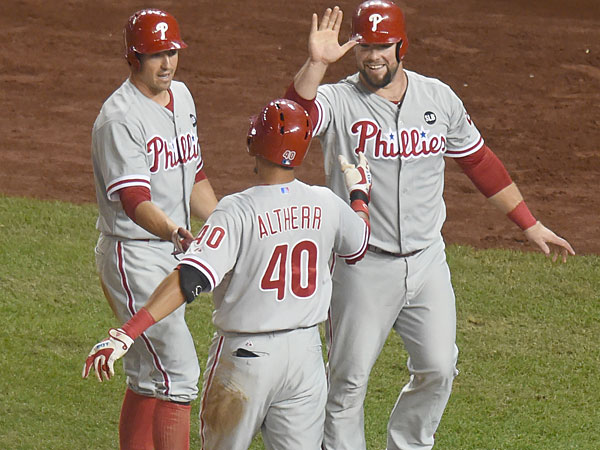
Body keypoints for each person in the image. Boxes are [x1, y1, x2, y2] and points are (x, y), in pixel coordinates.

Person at [283, 2, 576, 449]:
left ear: (402, 46)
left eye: (383, 46)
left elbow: (477, 160)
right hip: (362, 266)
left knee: (439, 368)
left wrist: (528, 223)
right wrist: (316, 64)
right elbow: (291, 121)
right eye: (364, 46)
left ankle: (409, 444)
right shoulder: (337, 100)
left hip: (426, 262)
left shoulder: (438, 98)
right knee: (347, 383)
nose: (373, 56)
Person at [83, 98, 372, 449]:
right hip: (305, 361)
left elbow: (188, 280)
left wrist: (128, 333)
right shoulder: (326, 202)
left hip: (245, 362)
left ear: (254, 142)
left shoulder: (237, 211)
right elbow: (358, 243)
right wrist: (359, 193)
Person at [83, 8, 218, 450]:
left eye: (171, 53)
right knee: (178, 373)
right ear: (133, 58)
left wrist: (221, 230)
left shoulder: (183, 96)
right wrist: (176, 231)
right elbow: (134, 201)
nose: (167, 64)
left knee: (148, 376)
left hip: (168, 249)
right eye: (155, 55)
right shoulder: (120, 117)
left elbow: (195, 177)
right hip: (134, 254)